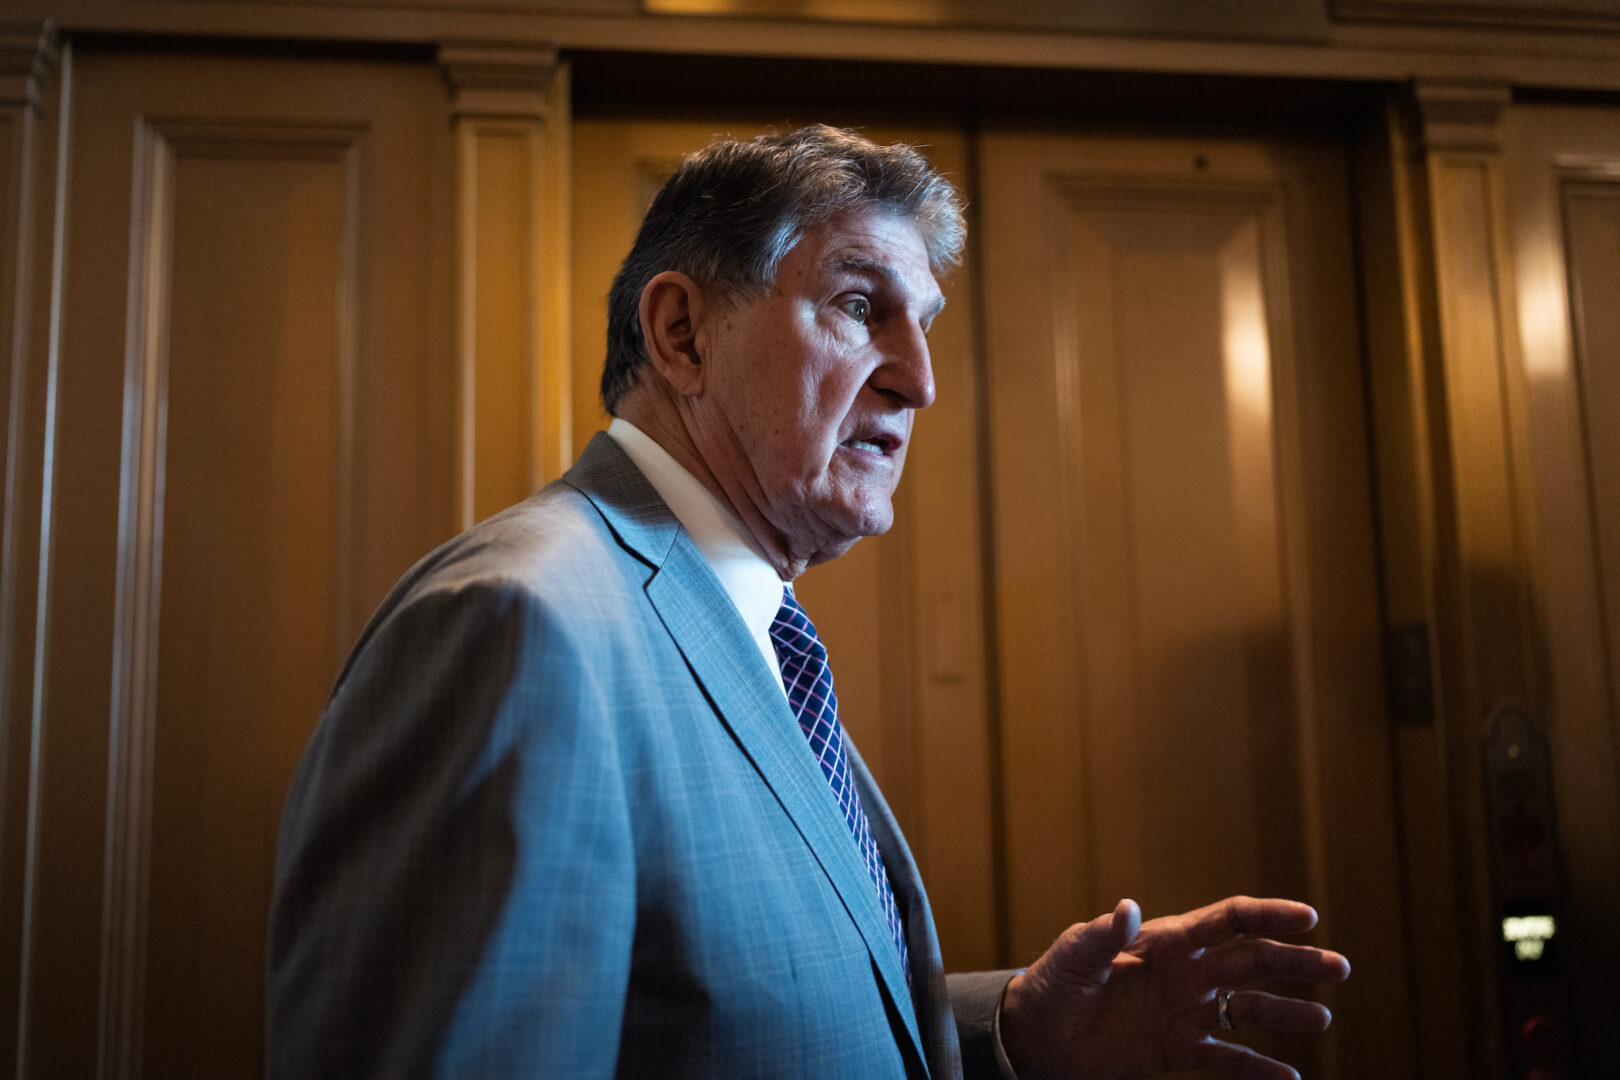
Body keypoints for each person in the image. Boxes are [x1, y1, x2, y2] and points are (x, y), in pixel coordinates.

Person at [267, 124, 1349, 1080]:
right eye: (857, 305)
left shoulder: (742, 626)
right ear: (682, 334)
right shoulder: (523, 626)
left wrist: (1010, 1035)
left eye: (921, 321)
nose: (917, 379)